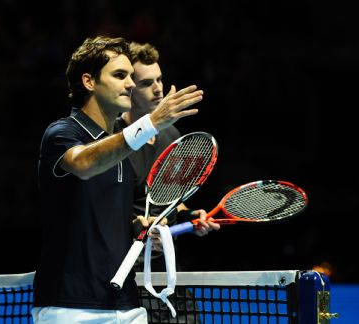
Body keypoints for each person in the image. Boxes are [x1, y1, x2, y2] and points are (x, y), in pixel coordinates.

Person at [32, 36, 204, 324]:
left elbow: (106, 217)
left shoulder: (122, 151)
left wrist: (138, 226)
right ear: (89, 81)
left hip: (126, 304)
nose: (131, 84)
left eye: (130, 76)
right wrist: (150, 123)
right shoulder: (62, 133)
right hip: (71, 307)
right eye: (120, 75)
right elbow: (84, 164)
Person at [114, 41, 220, 322]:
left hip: (168, 272)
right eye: (147, 83)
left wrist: (189, 215)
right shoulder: (114, 139)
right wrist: (135, 226)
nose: (159, 89)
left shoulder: (171, 136)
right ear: (129, 88)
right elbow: (101, 208)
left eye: (160, 79)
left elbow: (172, 200)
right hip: (126, 275)